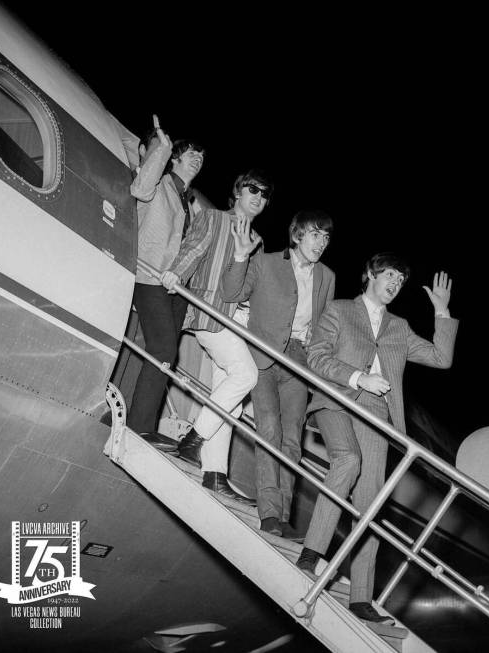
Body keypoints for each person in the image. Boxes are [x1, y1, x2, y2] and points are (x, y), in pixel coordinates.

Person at [296, 253, 458, 624]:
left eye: (400, 281)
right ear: (369, 274)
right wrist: (358, 377)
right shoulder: (338, 310)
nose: (394, 284)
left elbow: (440, 358)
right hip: (337, 400)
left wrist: (443, 313)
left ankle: (361, 597)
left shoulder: (399, 327)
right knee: (347, 460)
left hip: (377, 414)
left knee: (371, 502)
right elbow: (316, 357)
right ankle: (311, 552)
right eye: (389, 276)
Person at [161, 170, 274, 505]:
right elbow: (194, 248)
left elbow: (250, 285)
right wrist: (176, 274)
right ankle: (193, 439)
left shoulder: (257, 241)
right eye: (252, 189)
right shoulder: (214, 218)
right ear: (237, 191)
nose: (258, 196)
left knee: (231, 401)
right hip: (209, 311)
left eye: (264, 194)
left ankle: (214, 473)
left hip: (236, 320)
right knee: (246, 375)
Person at [221, 210, 335, 538]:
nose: (322, 243)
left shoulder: (327, 276)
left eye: (326, 238)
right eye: (315, 234)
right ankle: (269, 512)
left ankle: (283, 516)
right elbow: (232, 293)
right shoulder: (266, 263)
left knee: (292, 439)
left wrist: (319, 338)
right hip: (264, 356)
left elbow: (324, 324)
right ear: (297, 235)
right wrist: (241, 254)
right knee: (269, 429)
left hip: (299, 363)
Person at [126, 115, 205, 452]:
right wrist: (163, 147)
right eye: (191, 153)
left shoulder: (189, 200)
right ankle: (138, 426)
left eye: (202, 157)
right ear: (175, 158)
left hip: (175, 287)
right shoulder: (159, 182)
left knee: (166, 357)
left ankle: (144, 422)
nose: (198, 159)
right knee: (162, 349)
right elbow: (139, 189)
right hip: (150, 275)